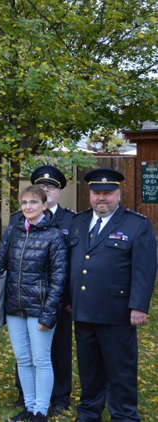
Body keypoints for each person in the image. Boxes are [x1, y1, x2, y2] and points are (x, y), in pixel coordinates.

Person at [69, 168, 156, 422]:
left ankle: (124, 414)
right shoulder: (79, 222)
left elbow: (145, 270)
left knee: (121, 369)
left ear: (119, 194)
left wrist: (139, 306)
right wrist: (67, 300)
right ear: (90, 195)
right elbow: (71, 264)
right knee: (89, 367)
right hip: (84, 309)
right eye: (96, 193)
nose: (101, 198)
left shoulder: (136, 224)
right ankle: (89, 412)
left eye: (107, 193)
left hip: (116, 311)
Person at [0, 185, 67, 422]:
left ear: (44, 205)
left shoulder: (54, 236)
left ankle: (41, 410)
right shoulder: (13, 231)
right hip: (13, 307)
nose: (28, 207)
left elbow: (59, 279)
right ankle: (29, 407)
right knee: (23, 359)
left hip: (39, 309)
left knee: (41, 360)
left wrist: (49, 314)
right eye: (24, 203)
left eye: (33, 202)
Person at [8, 165, 75, 415]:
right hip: (25, 298)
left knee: (57, 349)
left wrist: (67, 298)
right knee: (26, 350)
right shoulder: (18, 219)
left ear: (58, 193)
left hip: (60, 297)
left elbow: (72, 264)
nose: (46, 190)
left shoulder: (71, 220)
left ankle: (59, 397)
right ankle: (25, 396)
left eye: (51, 187)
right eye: (41, 186)